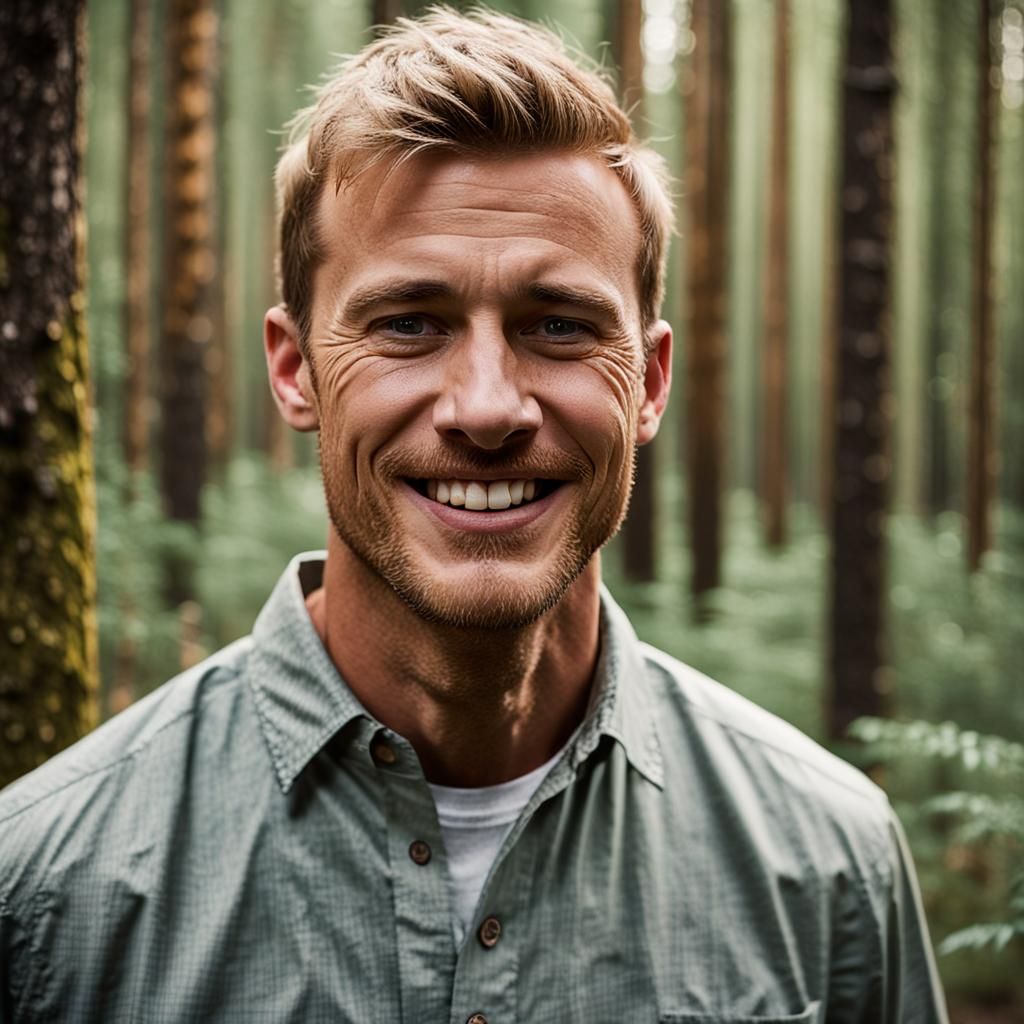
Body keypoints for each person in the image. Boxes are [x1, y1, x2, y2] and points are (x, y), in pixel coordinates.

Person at [0, 8, 948, 1022]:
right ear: (294, 369)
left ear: (650, 381)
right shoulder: (48, 889)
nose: (489, 406)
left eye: (558, 325)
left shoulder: (830, 866)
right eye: (409, 322)